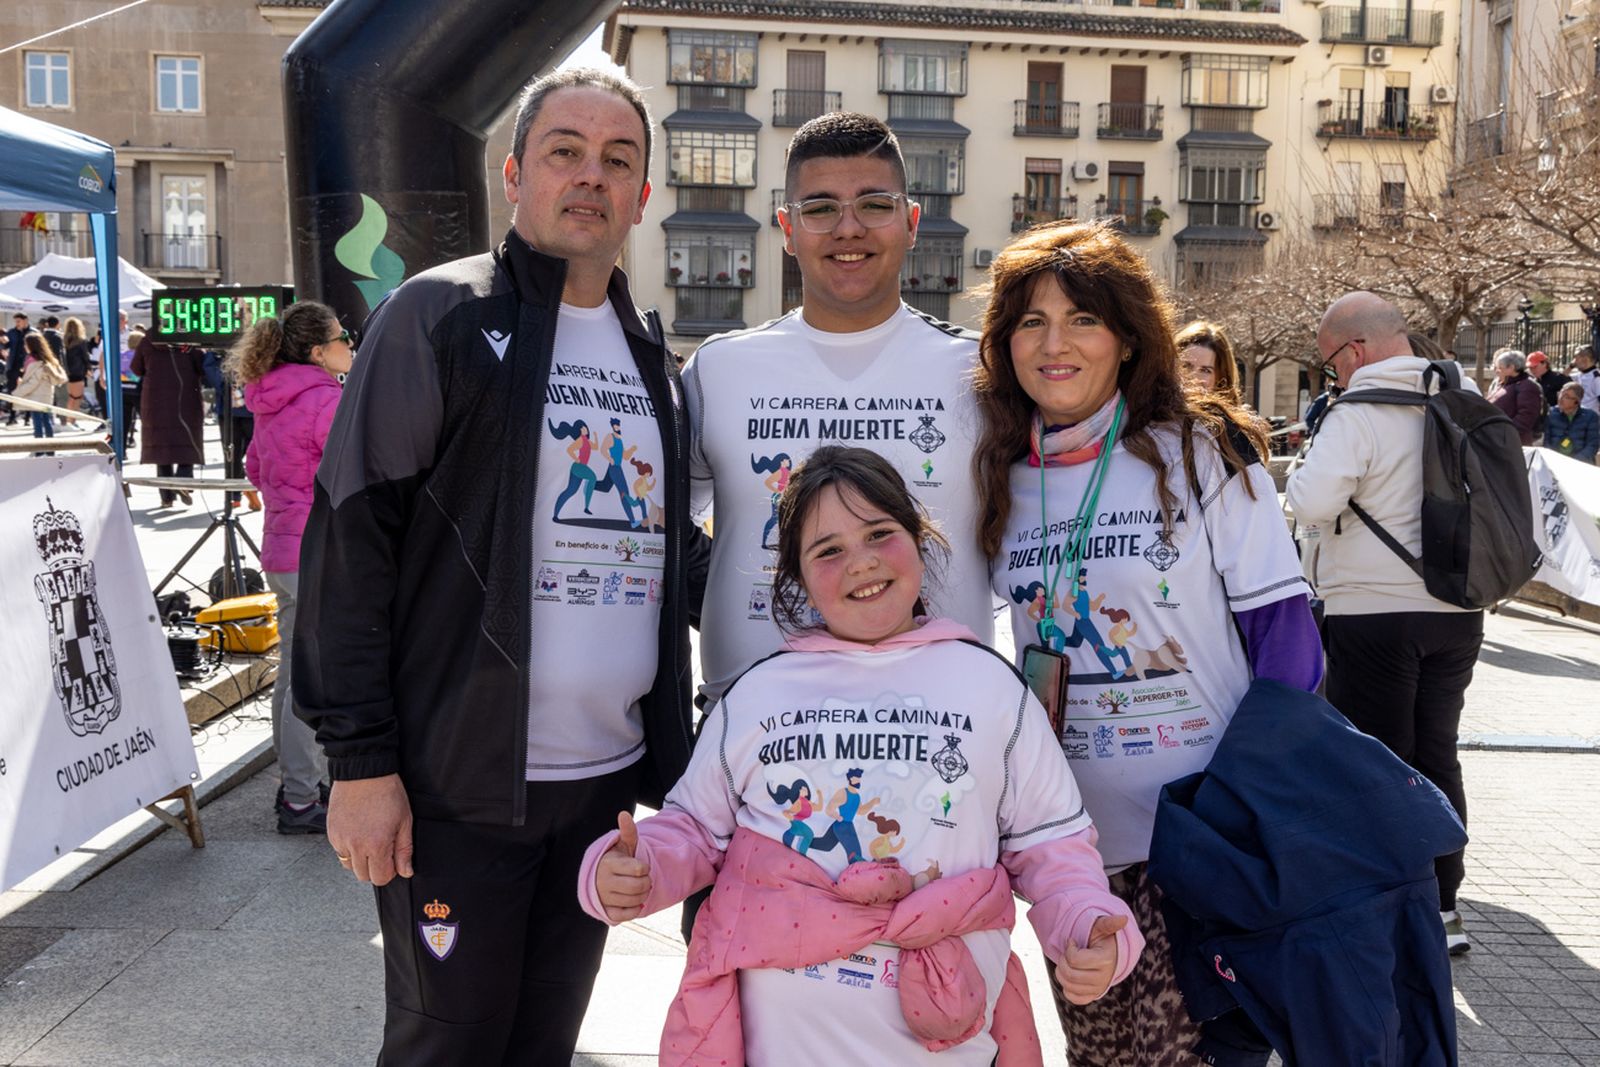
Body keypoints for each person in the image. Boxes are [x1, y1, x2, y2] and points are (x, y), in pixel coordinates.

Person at [294, 68, 696, 1065]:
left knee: (542, 1045)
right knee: (447, 1048)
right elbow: (350, 541)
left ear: (642, 194)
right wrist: (360, 762)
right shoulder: (438, 315)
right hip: (456, 792)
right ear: (515, 174)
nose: (590, 177)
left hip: (598, 792)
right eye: (565, 151)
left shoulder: (651, 354)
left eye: (618, 159)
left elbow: (665, 542)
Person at [579, 445, 1143, 1067]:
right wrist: (638, 867)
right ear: (795, 576)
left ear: (919, 541)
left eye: (880, 533)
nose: (862, 562)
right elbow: (694, 830)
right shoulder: (760, 691)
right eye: (828, 550)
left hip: (951, 1042)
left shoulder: (991, 686)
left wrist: (1087, 925)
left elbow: (1052, 850)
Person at [975, 220, 1320, 1065]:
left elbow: (1288, 643)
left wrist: (1249, 807)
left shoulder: (1200, 451)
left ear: (1129, 339)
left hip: (1200, 847)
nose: (1055, 344)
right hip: (1075, 854)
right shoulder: (997, 473)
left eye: (1082, 319)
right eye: (1030, 321)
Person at [683, 111, 995, 715]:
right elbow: (661, 528)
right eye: (820, 209)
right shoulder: (719, 370)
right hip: (749, 731)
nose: (848, 228)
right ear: (787, 228)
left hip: (938, 724)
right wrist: (735, 591)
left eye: (874, 205)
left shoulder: (979, 374)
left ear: (911, 223)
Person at [1286, 291, 1485, 956]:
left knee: (1379, 760)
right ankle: (1444, 904)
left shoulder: (1360, 411)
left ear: (1356, 350)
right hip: (1458, 613)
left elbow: (1310, 501)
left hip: (1373, 612)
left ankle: (1388, 910)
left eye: (1329, 363)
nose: (1331, 376)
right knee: (1437, 753)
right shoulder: (1462, 396)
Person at [226, 301, 349, 834]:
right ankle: (302, 798)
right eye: (343, 337)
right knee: (314, 681)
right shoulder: (325, 399)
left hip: (280, 550)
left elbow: (255, 467)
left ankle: (301, 787)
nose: (350, 344)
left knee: (293, 678)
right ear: (318, 351)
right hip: (318, 553)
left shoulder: (270, 400)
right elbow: (353, 471)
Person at [130, 335, 206, 507]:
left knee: (162, 450)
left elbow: (136, 368)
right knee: (188, 441)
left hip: (156, 401)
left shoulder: (148, 340)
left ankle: (166, 498)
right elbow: (202, 367)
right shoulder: (189, 340)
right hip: (186, 398)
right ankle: (184, 479)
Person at [14, 332, 67, 442]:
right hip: (46, 396)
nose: (24, 346)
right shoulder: (48, 360)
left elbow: (32, 383)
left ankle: (39, 450)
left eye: (26, 344)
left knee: (38, 423)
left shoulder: (34, 362)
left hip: (35, 397)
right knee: (47, 421)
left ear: (31, 345)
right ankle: (50, 449)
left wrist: (16, 393)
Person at [1174, 319, 1241, 403]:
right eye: (1186, 366)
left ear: (1220, 380)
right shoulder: (1153, 408)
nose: (1193, 378)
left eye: (1205, 370)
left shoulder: (1229, 416)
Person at [1486, 348, 1541, 446]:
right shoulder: (1503, 384)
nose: (1496, 371)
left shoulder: (1527, 386)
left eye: (1500, 368)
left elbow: (1526, 417)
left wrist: (1504, 432)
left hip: (1512, 442)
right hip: (1496, 439)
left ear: (1511, 367)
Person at [1545, 381, 1599, 462]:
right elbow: (1546, 441)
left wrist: (1574, 462)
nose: (1561, 399)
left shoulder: (1590, 416)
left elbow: (1592, 445)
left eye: (1566, 397)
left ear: (1576, 402)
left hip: (1580, 462)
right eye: (1560, 394)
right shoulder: (1551, 414)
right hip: (1555, 461)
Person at [1527, 350, 1571, 438]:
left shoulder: (1559, 379)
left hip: (1558, 423)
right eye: (1530, 367)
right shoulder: (1532, 382)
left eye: (1534, 367)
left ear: (1544, 364)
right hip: (1539, 425)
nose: (1532, 370)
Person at [5, 312, 31, 425]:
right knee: (12, 392)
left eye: (19, 321)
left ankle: (27, 418)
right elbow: (5, 346)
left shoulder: (33, 333)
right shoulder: (11, 332)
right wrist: (3, 342)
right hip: (13, 367)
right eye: (16, 321)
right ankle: (12, 417)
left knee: (29, 392)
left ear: (25, 320)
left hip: (28, 367)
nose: (17, 324)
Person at [1575, 345, 1600, 414]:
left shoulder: (1596, 377)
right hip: (1580, 416)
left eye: (1576, 358)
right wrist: (1570, 367)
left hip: (1592, 419)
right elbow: (1561, 378)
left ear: (1585, 359)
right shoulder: (1580, 374)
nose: (1574, 362)